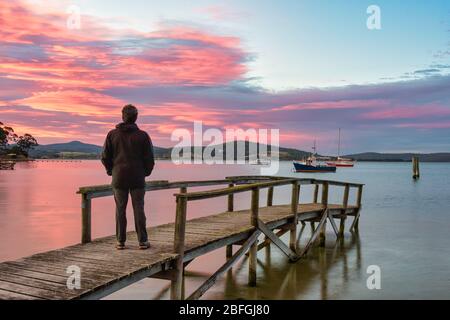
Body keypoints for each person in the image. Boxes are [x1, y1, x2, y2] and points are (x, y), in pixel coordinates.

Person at [101, 104, 155, 250]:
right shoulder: (143, 136)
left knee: (120, 209)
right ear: (136, 117)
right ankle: (142, 241)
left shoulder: (112, 135)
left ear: (122, 116)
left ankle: (120, 241)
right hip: (137, 177)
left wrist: (111, 171)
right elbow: (150, 159)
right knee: (139, 208)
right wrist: (145, 173)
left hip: (119, 177)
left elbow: (105, 157)